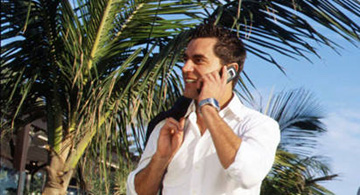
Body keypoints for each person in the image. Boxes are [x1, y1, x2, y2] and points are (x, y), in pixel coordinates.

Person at [127, 22, 280, 195]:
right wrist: (160, 159)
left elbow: (247, 174)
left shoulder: (259, 126)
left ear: (229, 71)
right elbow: (137, 193)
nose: (185, 68)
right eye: (185, 59)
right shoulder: (167, 126)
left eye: (198, 60)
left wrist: (208, 107)